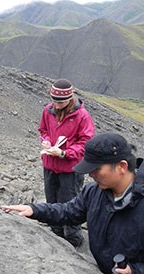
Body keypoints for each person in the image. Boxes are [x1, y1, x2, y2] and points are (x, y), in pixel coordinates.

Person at [2, 132, 144, 274]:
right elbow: (69, 212)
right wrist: (34, 210)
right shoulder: (94, 192)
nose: (90, 174)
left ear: (121, 166)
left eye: (96, 169)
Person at [38, 78, 95, 247]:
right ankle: (55, 236)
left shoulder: (82, 116)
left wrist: (64, 153)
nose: (56, 104)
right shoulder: (48, 110)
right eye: (54, 100)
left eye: (60, 101)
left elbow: (86, 143)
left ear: (69, 98)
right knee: (52, 202)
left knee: (70, 206)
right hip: (50, 165)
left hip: (70, 169)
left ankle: (73, 240)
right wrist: (46, 141)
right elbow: (43, 130)